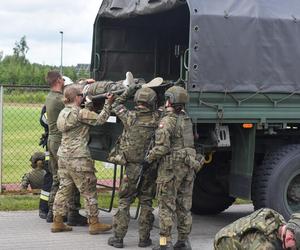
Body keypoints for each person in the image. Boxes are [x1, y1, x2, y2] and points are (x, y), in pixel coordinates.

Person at [145, 86, 204, 250]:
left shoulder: (167, 121)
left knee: (166, 206)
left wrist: (148, 159)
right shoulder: (186, 119)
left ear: (169, 100)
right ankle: (184, 241)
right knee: (184, 206)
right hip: (189, 166)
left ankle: (165, 243)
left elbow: (162, 148)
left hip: (171, 169)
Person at [51, 84, 113, 234]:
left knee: (64, 189)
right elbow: (100, 120)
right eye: (81, 95)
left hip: (63, 156)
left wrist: (89, 105)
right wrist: (108, 104)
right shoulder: (80, 113)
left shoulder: (63, 112)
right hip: (79, 157)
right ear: (77, 98)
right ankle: (94, 223)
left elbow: (84, 116)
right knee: (89, 190)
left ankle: (57, 221)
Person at [107, 86, 160, 248]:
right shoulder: (158, 118)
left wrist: (129, 90)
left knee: (125, 200)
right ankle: (144, 239)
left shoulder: (129, 117)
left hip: (131, 168)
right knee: (146, 201)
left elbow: (116, 104)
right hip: (150, 167)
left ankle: (118, 238)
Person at [45, 70, 86, 225]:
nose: (63, 81)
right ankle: (72, 213)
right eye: (62, 79)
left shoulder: (50, 97)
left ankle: (52, 212)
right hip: (61, 142)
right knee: (70, 179)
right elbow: (74, 101)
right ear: (58, 80)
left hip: (52, 140)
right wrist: (82, 88)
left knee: (58, 178)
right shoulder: (59, 100)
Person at [214, 208, 300, 250]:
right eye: (295, 249)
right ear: (289, 238)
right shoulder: (264, 246)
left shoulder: (279, 222)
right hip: (223, 244)